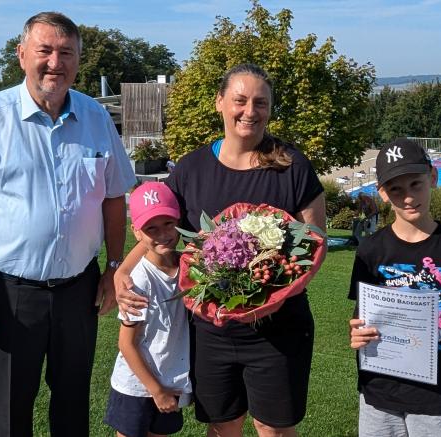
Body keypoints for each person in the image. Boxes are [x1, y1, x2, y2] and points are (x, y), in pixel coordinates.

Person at [0, 11, 136, 437]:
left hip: (79, 292)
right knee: (9, 415)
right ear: (22, 54)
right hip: (10, 295)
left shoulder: (96, 118)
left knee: (73, 409)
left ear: (79, 60)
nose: (55, 63)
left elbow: (115, 198)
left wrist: (114, 268)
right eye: (44, 51)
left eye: (66, 53)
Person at [116, 63, 327, 437]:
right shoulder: (191, 169)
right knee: (222, 426)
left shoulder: (292, 166)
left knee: (272, 429)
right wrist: (121, 272)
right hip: (212, 330)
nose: (250, 111)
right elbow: (159, 233)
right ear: (219, 102)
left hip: (278, 331)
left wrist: (273, 298)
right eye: (240, 100)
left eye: (260, 103)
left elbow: (314, 244)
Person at [348, 138, 441, 437]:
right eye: (396, 189)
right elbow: (362, 315)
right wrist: (356, 332)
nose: (409, 197)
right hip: (378, 392)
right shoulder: (370, 251)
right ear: (383, 194)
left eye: (416, 184)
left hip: (434, 397)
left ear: (433, 178)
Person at [105, 181, 192, 437]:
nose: (163, 234)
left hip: (171, 379)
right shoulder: (138, 281)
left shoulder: (186, 266)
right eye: (151, 228)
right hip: (137, 386)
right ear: (137, 233)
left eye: (168, 224)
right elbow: (126, 344)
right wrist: (156, 390)